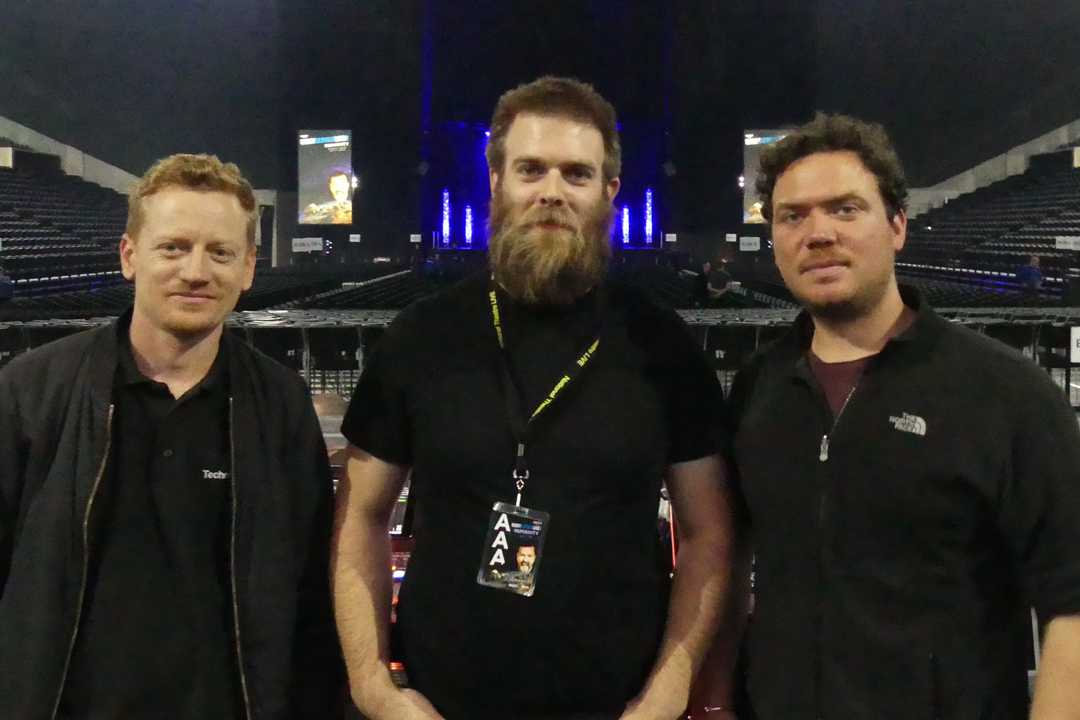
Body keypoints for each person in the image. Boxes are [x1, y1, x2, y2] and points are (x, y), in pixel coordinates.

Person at [332, 76, 739, 720]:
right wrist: (373, 686)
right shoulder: (419, 337)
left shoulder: (664, 348)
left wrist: (669, 690)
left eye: (577, 174)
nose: (551, 191)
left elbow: (708, 532)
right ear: (496, 182)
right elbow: (359, 517)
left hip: (616, 706)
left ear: (609, 193)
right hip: (440, 707)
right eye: (531, 169)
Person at [725, 113, 1080, 718]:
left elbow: (1070, 606)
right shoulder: (759, 389)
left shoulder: (1007, 393)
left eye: (845, 209)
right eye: (793, 215)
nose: (818, 233)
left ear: (897, 226)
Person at [0, 153, 344, 719]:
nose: (196, 271)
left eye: (221, 252)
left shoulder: (281, 404)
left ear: (249, 267)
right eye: (174, 247)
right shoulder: (30, 392)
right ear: (129, 255)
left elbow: (309, 593)